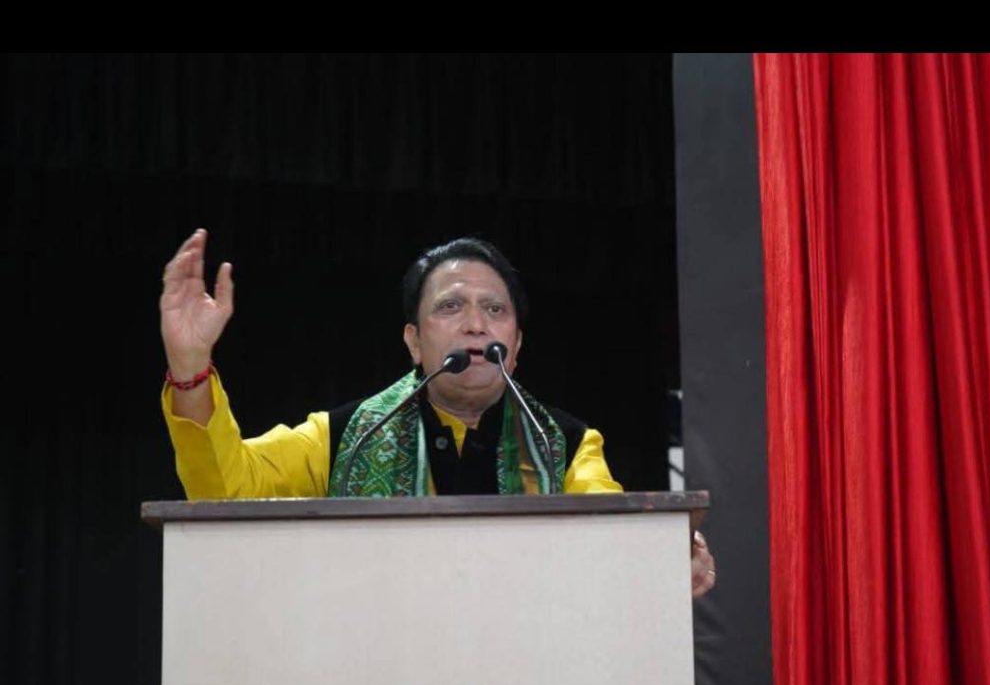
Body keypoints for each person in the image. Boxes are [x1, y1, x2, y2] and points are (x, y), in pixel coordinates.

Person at [160, 229, 716, 597]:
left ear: (516, 346)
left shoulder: (566, 446)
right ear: (413, 342)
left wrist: (665, 553)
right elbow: (224, 490)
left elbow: (610, 533)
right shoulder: (348, 437)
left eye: (494, 309)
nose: (475, 323)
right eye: (451, 307)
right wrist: (190, 365)